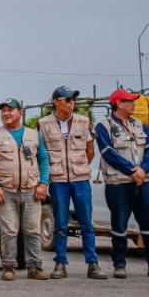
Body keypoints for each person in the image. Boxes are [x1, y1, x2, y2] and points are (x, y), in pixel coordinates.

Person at [94, 89, 149, 279]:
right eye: (130, 101)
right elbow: (108, 153)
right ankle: (119, 264)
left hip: (142, 183)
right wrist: (132, 170)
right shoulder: (104, 126)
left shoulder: (140, 126)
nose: (134, 104)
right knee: (119, 225)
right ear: (119, 103)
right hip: (118, 184)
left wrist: (142, 170)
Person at [37, 86, 106, 279]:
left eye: (73, 99)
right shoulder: (43, 124)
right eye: (67, 100)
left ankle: (92, 263)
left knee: (86, 222)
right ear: (56, 102)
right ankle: (60, 263)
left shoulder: (84, 122)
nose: (72, 103)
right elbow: (40, 154)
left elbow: (90, 150)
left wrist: (79, 167)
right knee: (60, 223)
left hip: (80, 179)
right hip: (58, 180)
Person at [0, 98, 49, 281]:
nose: (6, 113)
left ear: (20, 113)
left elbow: (44, 160)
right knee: (9, 231)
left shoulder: (33, 135)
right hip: (5, 191)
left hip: (32, 190)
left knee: (32, 230)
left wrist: (43, 183)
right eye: (3, 110)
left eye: (10, 110)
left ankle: (34, 267)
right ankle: (8, 267)